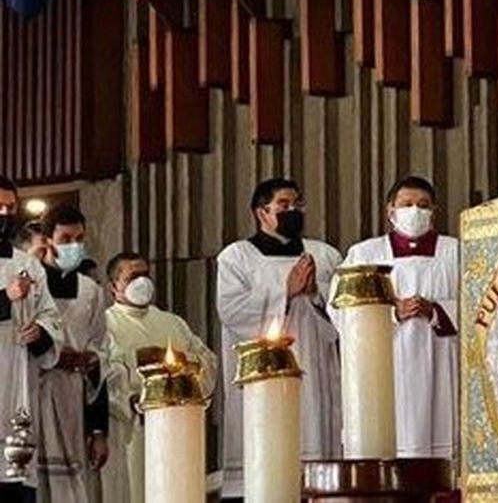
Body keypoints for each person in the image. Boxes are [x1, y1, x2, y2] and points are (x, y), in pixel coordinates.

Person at [216, 179, 342, 500]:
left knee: (315, 463)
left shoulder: (324, 255)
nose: (293, 210)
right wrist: (284, 292)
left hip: (314, 373)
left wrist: (315, 293)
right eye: (284, 205)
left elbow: (345, 314)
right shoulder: (237, 257)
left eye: (298, 204)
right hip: (264, 377)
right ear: (262, 212)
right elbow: (231, 312)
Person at [340, 176, 459, 460]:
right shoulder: (364, 255)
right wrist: (392, 313)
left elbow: (478, 304)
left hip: (442, 361)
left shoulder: (456, 252)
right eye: (406, 204)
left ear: (434, 211)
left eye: (423, 205)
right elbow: (343, 309)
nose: (415, 210)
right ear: (390, 211)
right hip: (386, 362)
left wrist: (437, 311)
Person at [102, 252, 217, 503]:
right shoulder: (106, 324)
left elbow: (208, 363)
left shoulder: (173, 323)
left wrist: (181, 360)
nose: (142, 282)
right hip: (135, 428)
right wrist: (138, 369)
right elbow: (104, 374)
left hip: (181, 424)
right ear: (114, 287)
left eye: (145, 275)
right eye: (133, 277)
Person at [23, 210, 107, 503]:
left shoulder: (90, 291)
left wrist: (98, 430)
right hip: (33, 392)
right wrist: (53, 356)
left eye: (79, 238)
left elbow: (100, 352)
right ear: (48, 239)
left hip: (73, 400)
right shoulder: (29, 285)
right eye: (66, 238)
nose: (74, 246)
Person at [0, 178, 65, 502]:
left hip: (18, 386)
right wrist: (5, 297)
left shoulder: (28, 265)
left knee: (17, 481)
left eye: (10, 208)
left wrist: (41, 331)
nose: (4, 214)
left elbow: (51, 316)